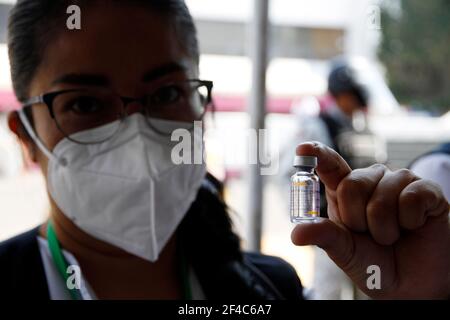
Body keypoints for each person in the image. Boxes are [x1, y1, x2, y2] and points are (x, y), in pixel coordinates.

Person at [0, 0, 449, 300]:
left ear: (204, 113)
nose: (133, 133)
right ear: (26, 137)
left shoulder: (270, 290)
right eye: (85, 103)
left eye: (166, 94)